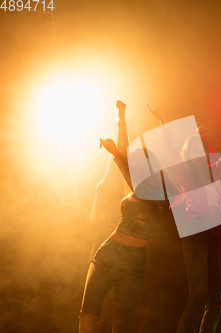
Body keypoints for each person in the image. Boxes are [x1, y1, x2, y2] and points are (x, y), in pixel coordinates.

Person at [79, 100, 172, 333]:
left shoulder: (161, 193)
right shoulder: (133, 185)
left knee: (122, 324)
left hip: (133, 263)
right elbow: (124, 150)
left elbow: (131, 159)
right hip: (108, 252)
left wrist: (162, 122)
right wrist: (121, 118)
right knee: (89, 312)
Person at [148, 107, 221, 333]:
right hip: (195, 233)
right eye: (192, 148)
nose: (197, 151)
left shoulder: (213, 171)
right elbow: (169, 149)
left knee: (215, 301)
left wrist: (211, 134)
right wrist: (163, 121)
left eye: (200, 147)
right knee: (197, 296)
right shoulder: (183, 172)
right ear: (186, 154)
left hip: (213, 233)